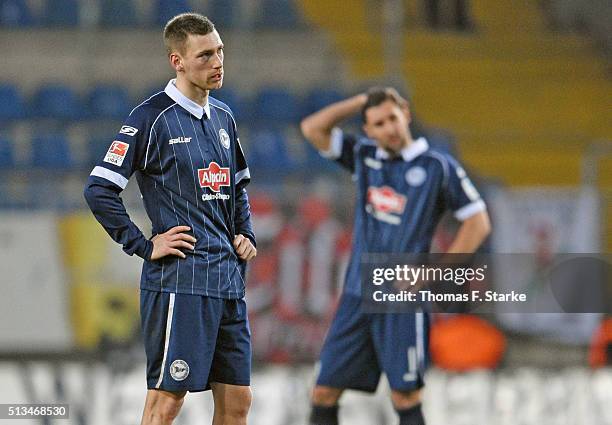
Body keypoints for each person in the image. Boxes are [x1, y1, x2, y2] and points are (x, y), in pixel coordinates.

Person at [84, 13, 256, 425]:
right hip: (181, 282)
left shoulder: (224, 118)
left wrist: (243, 231)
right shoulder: (150, 118)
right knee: (167, 402)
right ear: (177, 61)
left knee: (238, 402)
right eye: (205, 55)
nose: (217, 62)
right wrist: (144, 245)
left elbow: (237, 187)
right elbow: (99, 189)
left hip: (228, 282)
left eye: (219, 52)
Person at [300, 87, 491, 425]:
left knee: (405, 396)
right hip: (357, 294)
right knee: (324, 392)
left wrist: (433, 273)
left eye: (392, 117)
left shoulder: (437, 168)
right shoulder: (365, 156)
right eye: (378, 123)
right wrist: (361, 101)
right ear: (369, 129)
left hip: (402, 300)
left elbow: (478, 222)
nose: (388, 127)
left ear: (406, 114)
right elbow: (313, 129)